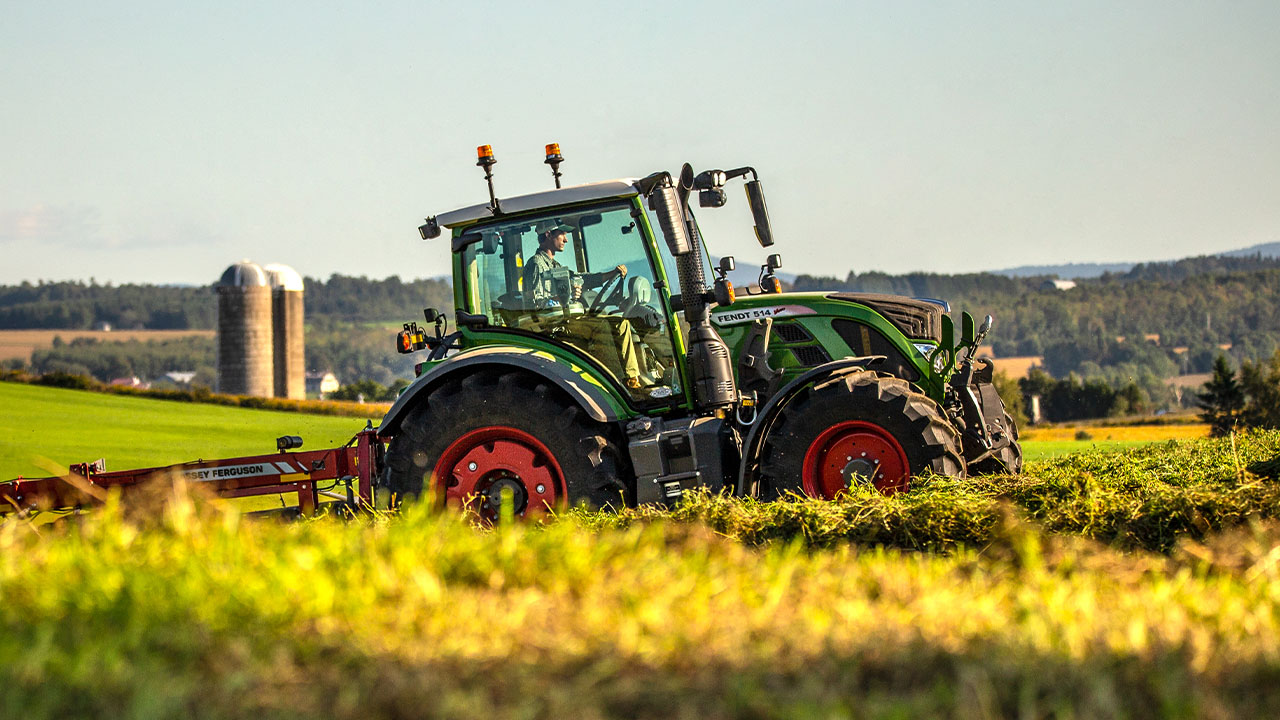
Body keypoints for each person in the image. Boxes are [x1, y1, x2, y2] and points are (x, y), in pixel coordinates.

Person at [521, 224, 643, 390]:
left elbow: (583, 280)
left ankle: (632, 380)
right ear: (548, 234)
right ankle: (613, 385)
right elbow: (535, 305)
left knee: (619, 323)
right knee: (605, 325)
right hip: (553, 326)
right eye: (562, 234)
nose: (566, 239)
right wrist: (566, 296)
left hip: (565, 320)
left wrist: (611, 274)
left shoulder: (554, 265)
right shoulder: (536, 265)